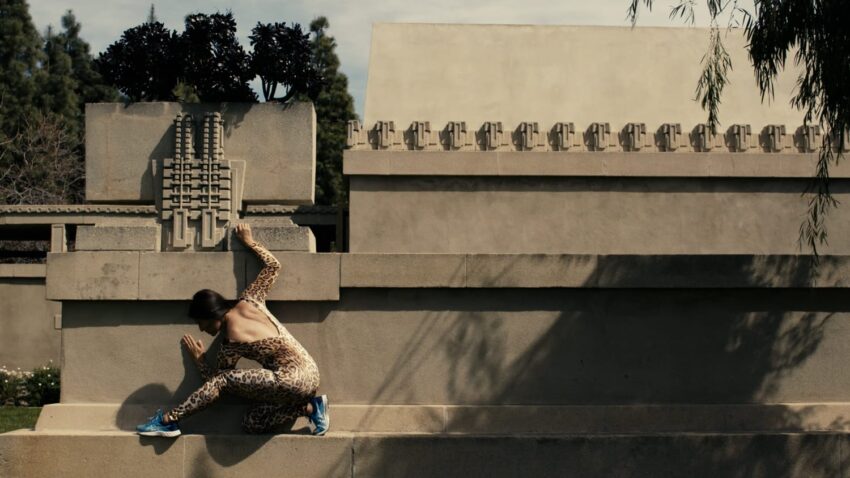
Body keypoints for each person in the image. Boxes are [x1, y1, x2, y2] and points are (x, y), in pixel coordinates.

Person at [136, 223, 328, 437]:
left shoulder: (231, 343)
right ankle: (312, 407)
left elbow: (217, 383)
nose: (201, 328)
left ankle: (169, 420)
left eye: (202, 322)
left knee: (222, 380)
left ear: (212, 315)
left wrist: (200, 362)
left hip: (290, 380)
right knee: (251, 422)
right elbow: (273, 267)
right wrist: (250, 242)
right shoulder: (251, 299)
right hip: (310, 373)